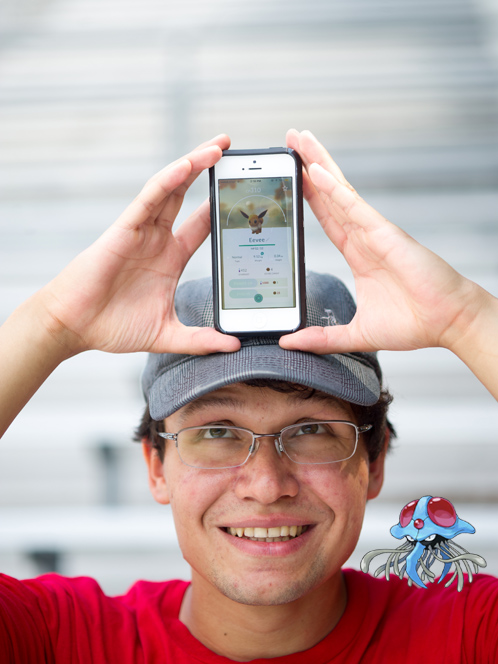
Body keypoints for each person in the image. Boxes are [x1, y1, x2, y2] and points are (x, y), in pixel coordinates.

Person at [0, 130, 497, 662]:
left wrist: (465, 317)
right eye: (216, 432)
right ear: (155, 466)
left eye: (309, 430)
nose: (266, 485)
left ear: (373, 464)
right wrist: (51, 325)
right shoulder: (59, 639)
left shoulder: (466, 632)